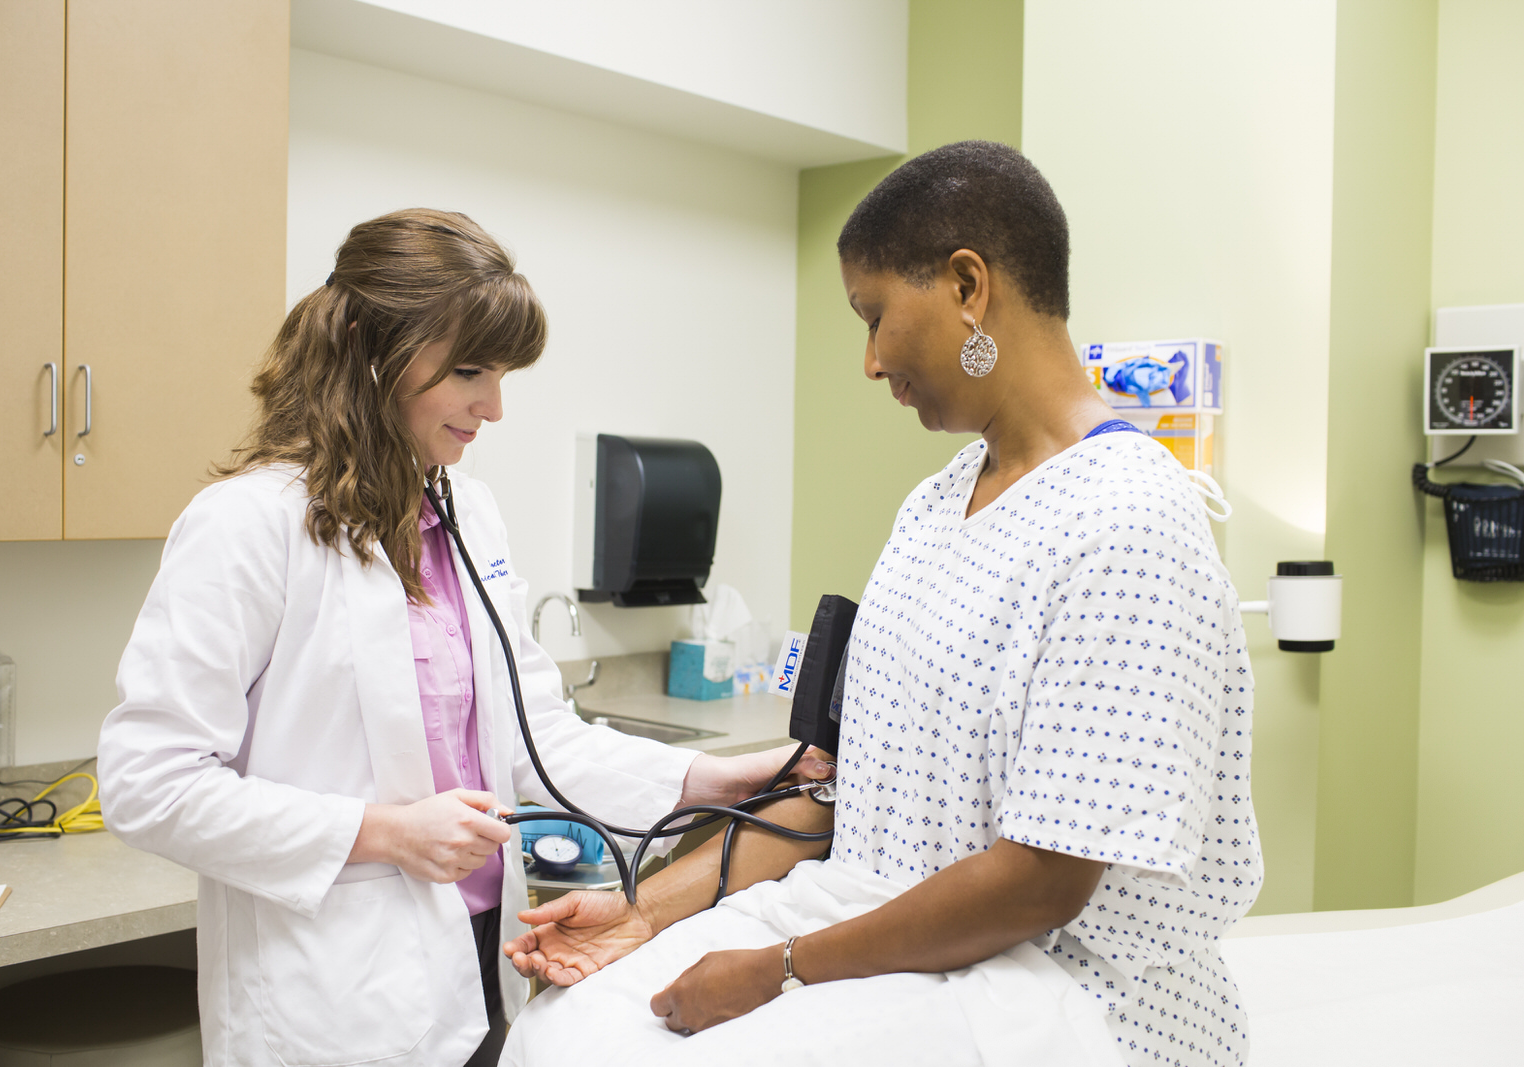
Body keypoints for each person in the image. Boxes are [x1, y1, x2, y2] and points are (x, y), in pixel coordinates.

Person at [499, 143, 1262, 1067]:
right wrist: (643, 912)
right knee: (567, 1030)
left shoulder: (1129, 523)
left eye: (874, 317)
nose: (867, 362)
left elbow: (1041, 884)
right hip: (877, 922)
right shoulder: (934, 507)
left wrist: (778, 968)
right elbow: (838, 789)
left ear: (967, 285)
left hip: (1063, 985)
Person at [96, 208, 825, 1067]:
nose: (495, 406)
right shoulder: (249, 524)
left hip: (478, 961)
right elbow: (147, 783)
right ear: (373, 352)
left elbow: (538, 742)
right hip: (327, 996)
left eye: (504, 372)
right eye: (470, 370)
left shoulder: (466, 514)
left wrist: (718, 776)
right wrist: (383, 831)